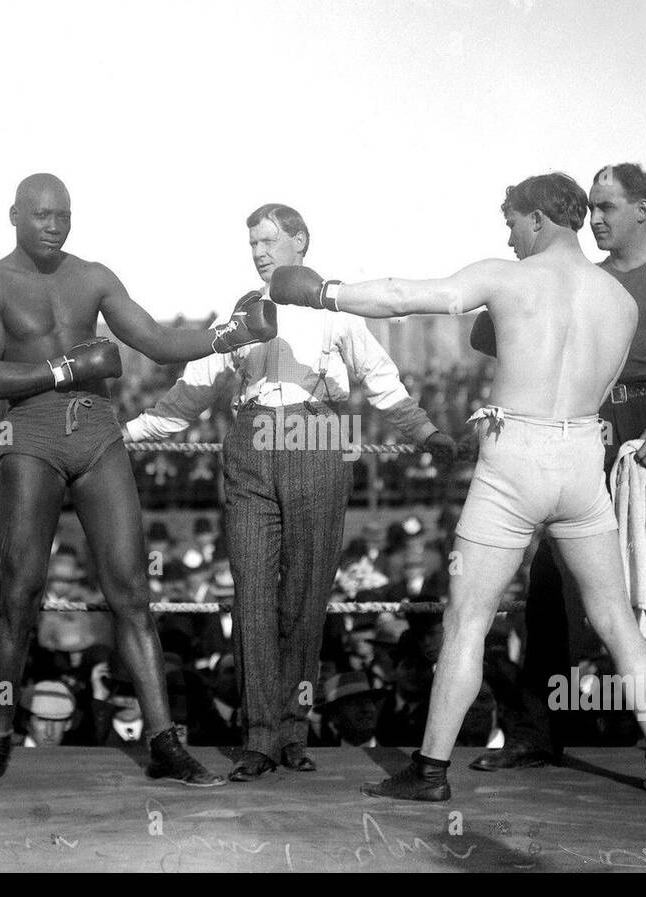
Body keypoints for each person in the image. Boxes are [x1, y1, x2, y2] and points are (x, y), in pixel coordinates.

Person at [271, 172, 646, 800]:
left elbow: (400, 296)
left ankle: (432, 772)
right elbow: (598, 385)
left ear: (538, 219)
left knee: (467, 621)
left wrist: (323, 292)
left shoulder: (506, 275)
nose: (509, 235)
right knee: (617, 622)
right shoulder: (621, 299)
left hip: (515, 457)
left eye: (512, 221)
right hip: (581, 459)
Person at [0, 173, 274, 787]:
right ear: (15, 215)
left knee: (132, 592)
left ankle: (163, 742)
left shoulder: (93, 276)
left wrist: (231, 334)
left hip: (98, 432)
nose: (54, 225)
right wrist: (65, 367)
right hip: (33, 434)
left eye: (64, 215)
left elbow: (156, 342)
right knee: (19, 592)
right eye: (43, 215)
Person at [123, 203, 456, 780]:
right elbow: (191, 391)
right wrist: (126, 433)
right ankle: (257, 738)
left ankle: (294, 733)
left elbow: (381, 380)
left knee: (306, 594)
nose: (258, 252)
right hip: (250, 441)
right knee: (250, 592)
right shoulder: (242, 311)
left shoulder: (336, 308)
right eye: (252, 242)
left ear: (300, 243)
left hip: (316, 434)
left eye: (269, 241)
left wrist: (425, 432)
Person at [471, 163, 646, 777]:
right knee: (549, 584)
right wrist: (525, 275)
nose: (594, 219)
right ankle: (537, 735)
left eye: (608, 207)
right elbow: (485, 335)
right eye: (590, 208)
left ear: (644, 207)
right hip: (593, 429)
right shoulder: (578, 279)